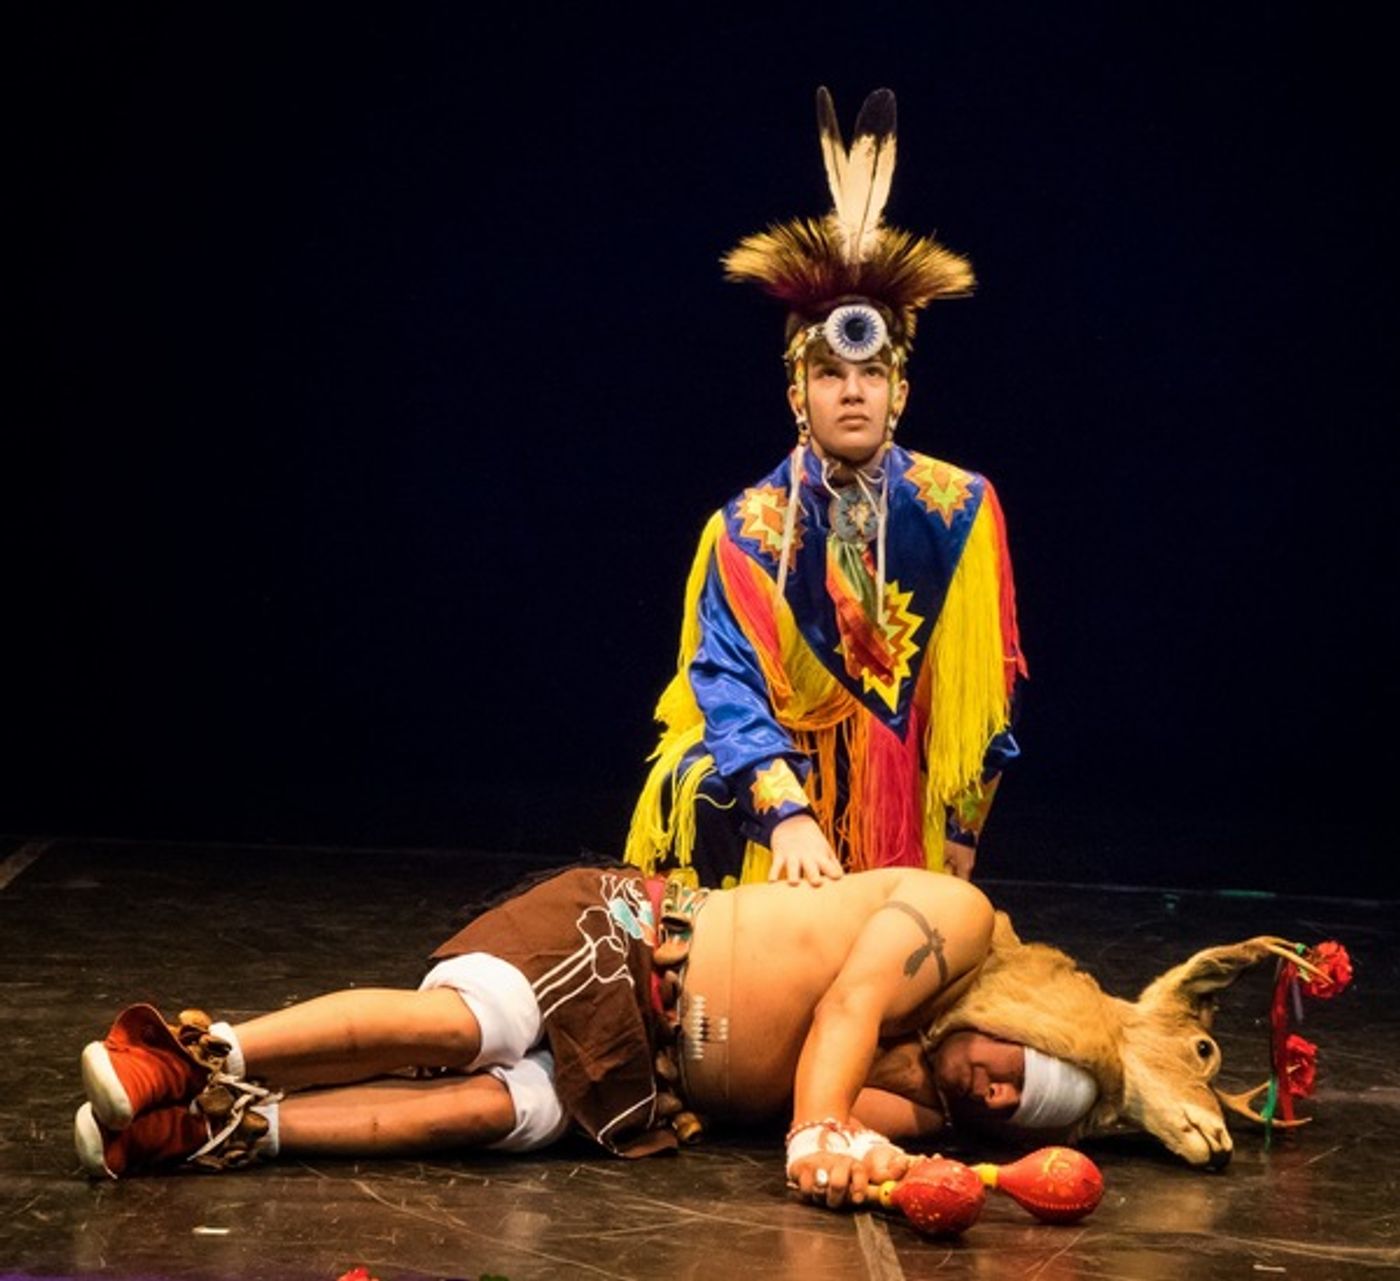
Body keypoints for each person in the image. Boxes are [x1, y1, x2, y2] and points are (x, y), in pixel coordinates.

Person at [74, 863, 1098, 1208]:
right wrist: (819, 1133)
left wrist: (864, 1156)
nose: (999, 1101)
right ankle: (190, 1053)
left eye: (1013, 1116)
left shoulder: (933, 1103)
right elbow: (840, 1015)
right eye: (1019, 1074)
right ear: (1022, 1020)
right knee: (466, 1027)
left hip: (636, 1084)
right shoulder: (958, 921)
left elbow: (819, 1116)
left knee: (482, 1113)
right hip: (620, 945)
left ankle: (209, 1133)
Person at [624, 87, 1026, 890]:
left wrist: (963, 826)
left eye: (872, 373)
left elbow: (989, 689)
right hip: (775, 802)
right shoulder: (746, 530)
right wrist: (787, 813)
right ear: (796, 395)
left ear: (899, 393)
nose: (853, 391)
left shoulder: (959, 509)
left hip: (901, 801)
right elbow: (726, 679)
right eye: (830, 374)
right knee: (692, 775)